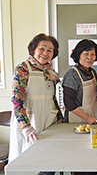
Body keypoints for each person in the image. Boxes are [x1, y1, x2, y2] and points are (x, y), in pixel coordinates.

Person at [10, 34, 63, 163]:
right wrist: (26, 127)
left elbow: (53, 98)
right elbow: (17, 102)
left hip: (49, 123)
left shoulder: (50, 72)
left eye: (50, 50)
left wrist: (60, 117)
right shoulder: (23, 70)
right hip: (30, 123)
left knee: (48, 162)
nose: (45, 53)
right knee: (30, 163)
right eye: (42, 49)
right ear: (33, 49)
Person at [62, 39, 97, 124]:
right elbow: (69, 102)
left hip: (93, 115)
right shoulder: (72, 74)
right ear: (78, 54)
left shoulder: (92, 72)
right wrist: (87, 118)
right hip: (76, 119)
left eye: (93, 54)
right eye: (86, 54)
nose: (89, 57)